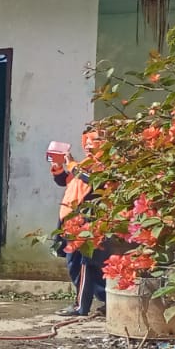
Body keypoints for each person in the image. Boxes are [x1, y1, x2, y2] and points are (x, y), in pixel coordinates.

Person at [50, 133, 107, 317]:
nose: (89, 146)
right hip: (71, 221)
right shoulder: (84, 165)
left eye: (95, 142)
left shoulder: (104, 166)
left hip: (86, 224)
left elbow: (92, 180)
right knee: (84, 266)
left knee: (82, 266)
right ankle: (107, 301)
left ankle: (80, 306)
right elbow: (66, 181)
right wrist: (58, 167)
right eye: (87, 143)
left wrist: (72, 165)